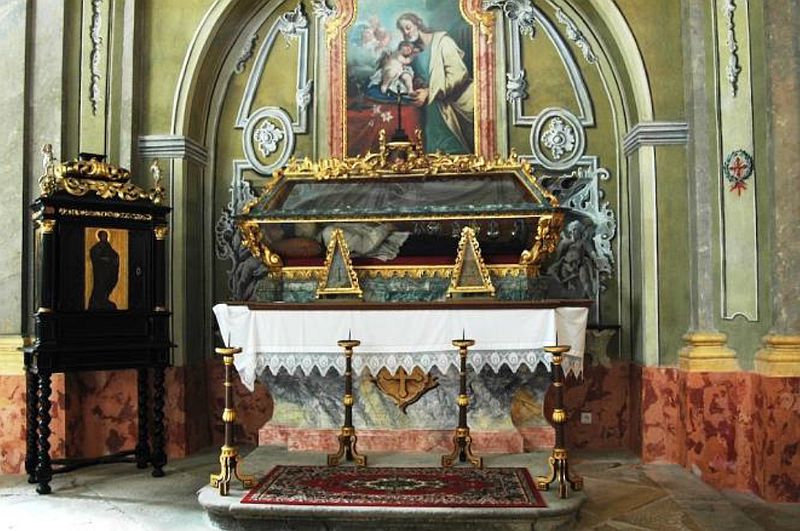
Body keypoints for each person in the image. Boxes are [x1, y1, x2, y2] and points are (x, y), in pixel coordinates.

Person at [396, 13, 474, 153]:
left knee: (449, 149)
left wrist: (429, 92)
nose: (405, 33)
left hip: (450, 103)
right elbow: (422, 76)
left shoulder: (443, 42)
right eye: (402, 30)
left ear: (418, 24)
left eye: (408, 28)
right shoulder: (415, 52)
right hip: (429, 105)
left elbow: (459, 74)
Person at [89, 230, 120, 310]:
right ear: (99, 237)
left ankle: (104, 300)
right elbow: (94, 256)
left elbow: (114, 254)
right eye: (103, 236)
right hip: (100, 272)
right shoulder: (97, 247)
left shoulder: (108, 246)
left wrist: (115, 258)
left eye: (106, 236)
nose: (105, 237)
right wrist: (103, 259)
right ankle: (97, 301)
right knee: (100, 286)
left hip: (108, 272)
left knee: (107, 285)